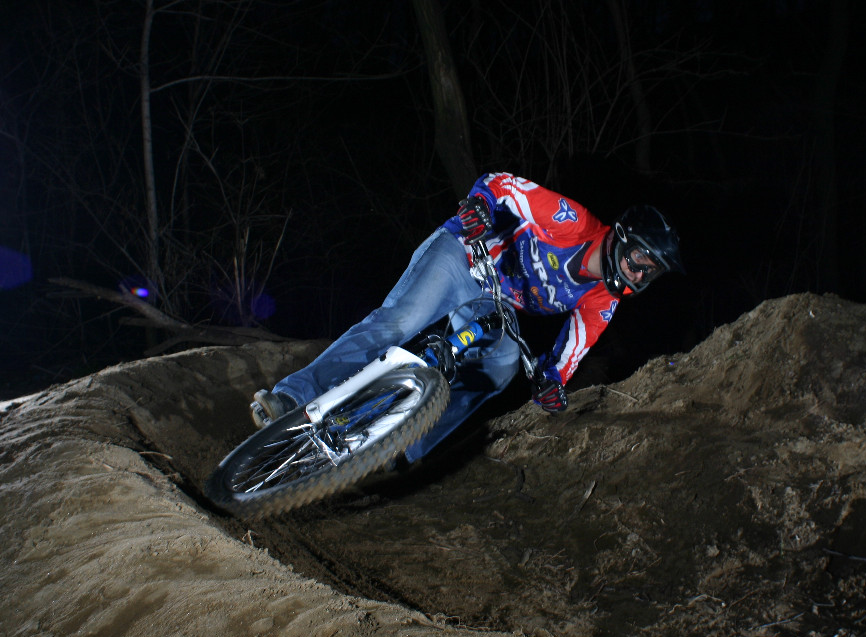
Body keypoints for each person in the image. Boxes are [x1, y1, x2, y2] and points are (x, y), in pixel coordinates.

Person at [251, 172, 684, 462]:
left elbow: (568, 356)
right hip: (464, 255)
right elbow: (502, 184)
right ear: (621, 238)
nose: (639, 274)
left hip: (494, 301)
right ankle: (292, 397)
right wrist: (481, 204)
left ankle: (404, 446)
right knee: (402, 321)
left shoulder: (603, 301)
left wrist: (552, 384)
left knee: (501, 367)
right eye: (639, 260)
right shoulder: (570, 222)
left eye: (650, 272)